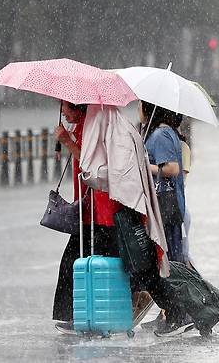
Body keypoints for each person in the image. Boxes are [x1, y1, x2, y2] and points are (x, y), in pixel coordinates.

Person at [51, 101, 133, 332]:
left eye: (66, 108)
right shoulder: (83, 125)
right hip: (89, 209)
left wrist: (66, 141)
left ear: (78, 107)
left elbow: (92, 164)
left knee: (80, 261)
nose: (63, 112)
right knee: (81, 261)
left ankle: (77, 314)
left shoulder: (94, 125)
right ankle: (76, 314)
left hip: (101, 211)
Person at [138, 100, 195, 332]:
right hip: (168, 208)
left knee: (168, 263)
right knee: (170, 261)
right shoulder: (164, 132)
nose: (137, 111)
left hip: (165, 208)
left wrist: (144, 164)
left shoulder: (161, 134)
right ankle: (177, 312)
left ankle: (180, 314)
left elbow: (171, 168)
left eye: (140, 106)